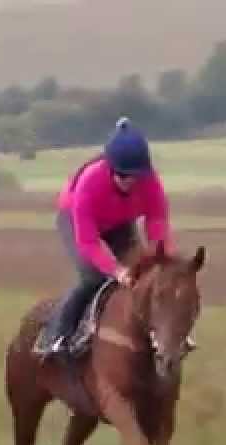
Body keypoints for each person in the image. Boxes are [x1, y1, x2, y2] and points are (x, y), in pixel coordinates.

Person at [36, 118, 176, 361]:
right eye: (123, 176)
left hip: (120, 223)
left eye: (136, 176)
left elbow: (157, 222)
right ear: (111, 169)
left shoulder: (150, 182)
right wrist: (116, 270)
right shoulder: (90, 183)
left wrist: (163, 259)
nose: (130, 182)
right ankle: (56, 337)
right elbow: (89, 242)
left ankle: (156, 334)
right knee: (94, 277)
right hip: (78, 222)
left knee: (144, 275)